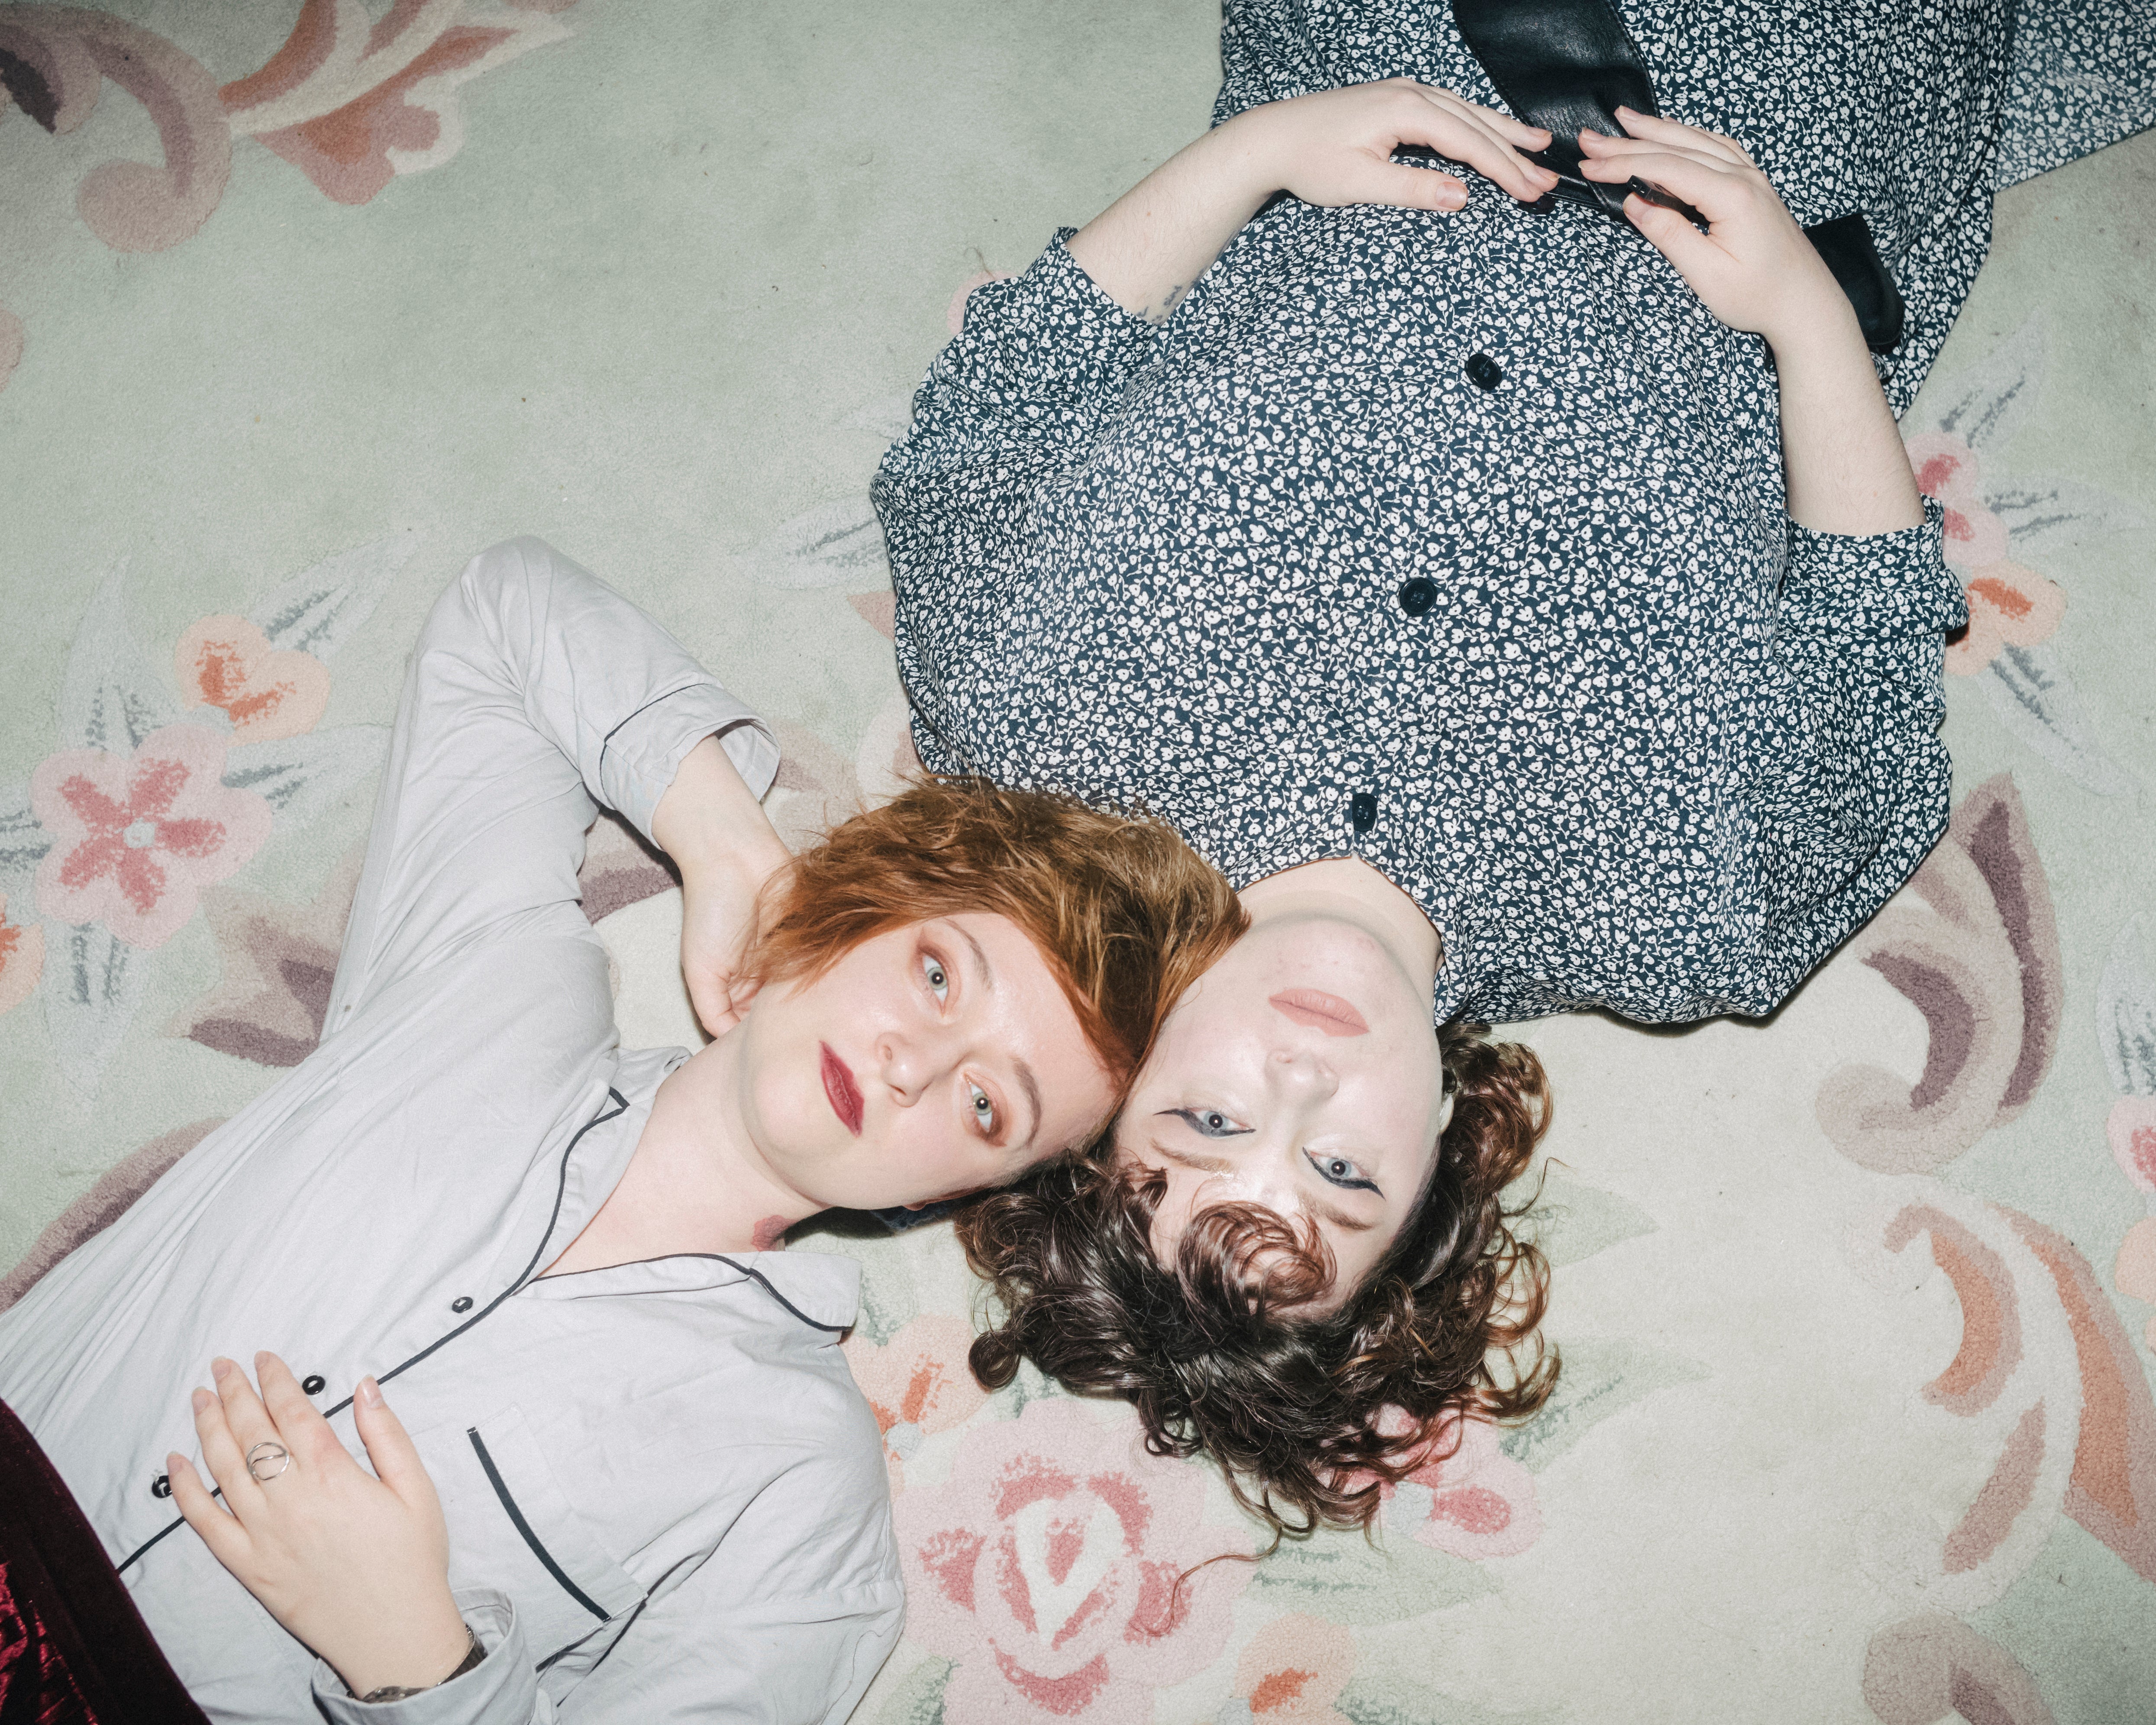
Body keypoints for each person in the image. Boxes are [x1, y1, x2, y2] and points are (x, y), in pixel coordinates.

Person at [872, 0, 2156, 1533]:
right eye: (1341, 1173)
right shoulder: (1694, 923)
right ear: (1434, 1179)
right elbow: (1870, 631)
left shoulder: (1031, 732)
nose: (1295, 1081)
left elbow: (975, 429)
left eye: (1208, 1127)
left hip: (1405, 43)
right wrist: (1805, 313)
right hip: (1814, 123)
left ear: (1119, 1083)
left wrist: (1258, 151)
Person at [0, 538, 1241, 1720]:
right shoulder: (494, 995)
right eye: (934, 973)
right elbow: (504, 612)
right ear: (859, 909)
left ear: (970, 1189)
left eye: (988, 1105)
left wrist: (414, 1660)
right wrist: (730, 849)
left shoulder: (800, 1502)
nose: (918, 1064)